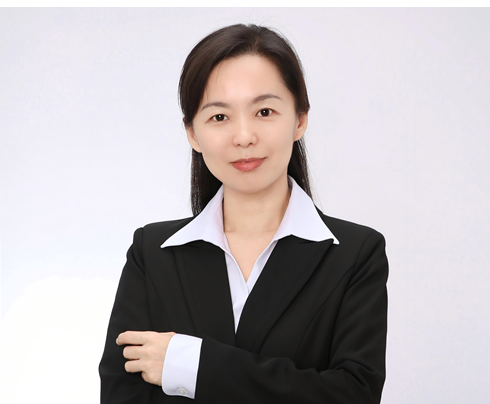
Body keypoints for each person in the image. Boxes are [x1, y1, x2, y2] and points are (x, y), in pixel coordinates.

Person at [99, 23, 388, 404]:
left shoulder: (355, 253)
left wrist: (192, 364)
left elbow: (353, 396)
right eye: (219, 117)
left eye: (264, 111)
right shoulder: (152, 252)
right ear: (192, 133)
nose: (244, 136)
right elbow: (122, 396)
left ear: (300, 119)